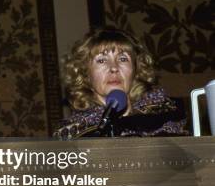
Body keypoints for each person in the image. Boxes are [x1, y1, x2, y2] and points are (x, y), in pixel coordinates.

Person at [55, 27, 188, 139]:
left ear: (136, 70)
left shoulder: (168, 115)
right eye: (101, 60)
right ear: (85, 74)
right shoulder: (73, 134)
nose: (114, 68)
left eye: (123, 59)